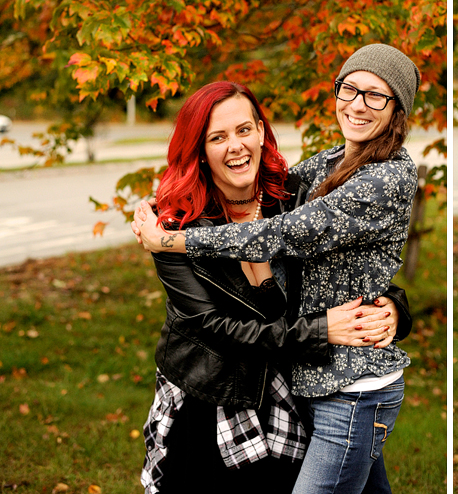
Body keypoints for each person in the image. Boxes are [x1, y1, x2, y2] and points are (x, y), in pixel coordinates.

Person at [135, 43, 421, 494]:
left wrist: (392, 305)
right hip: (213, 397)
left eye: (245, 129)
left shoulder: (289, 193)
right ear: (199, 149)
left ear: (261, 133)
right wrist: (322, 330)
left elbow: (338, 262)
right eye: (217, 137)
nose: (236, 146)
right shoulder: (174, 225)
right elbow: (216, 330)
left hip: (294, 391)